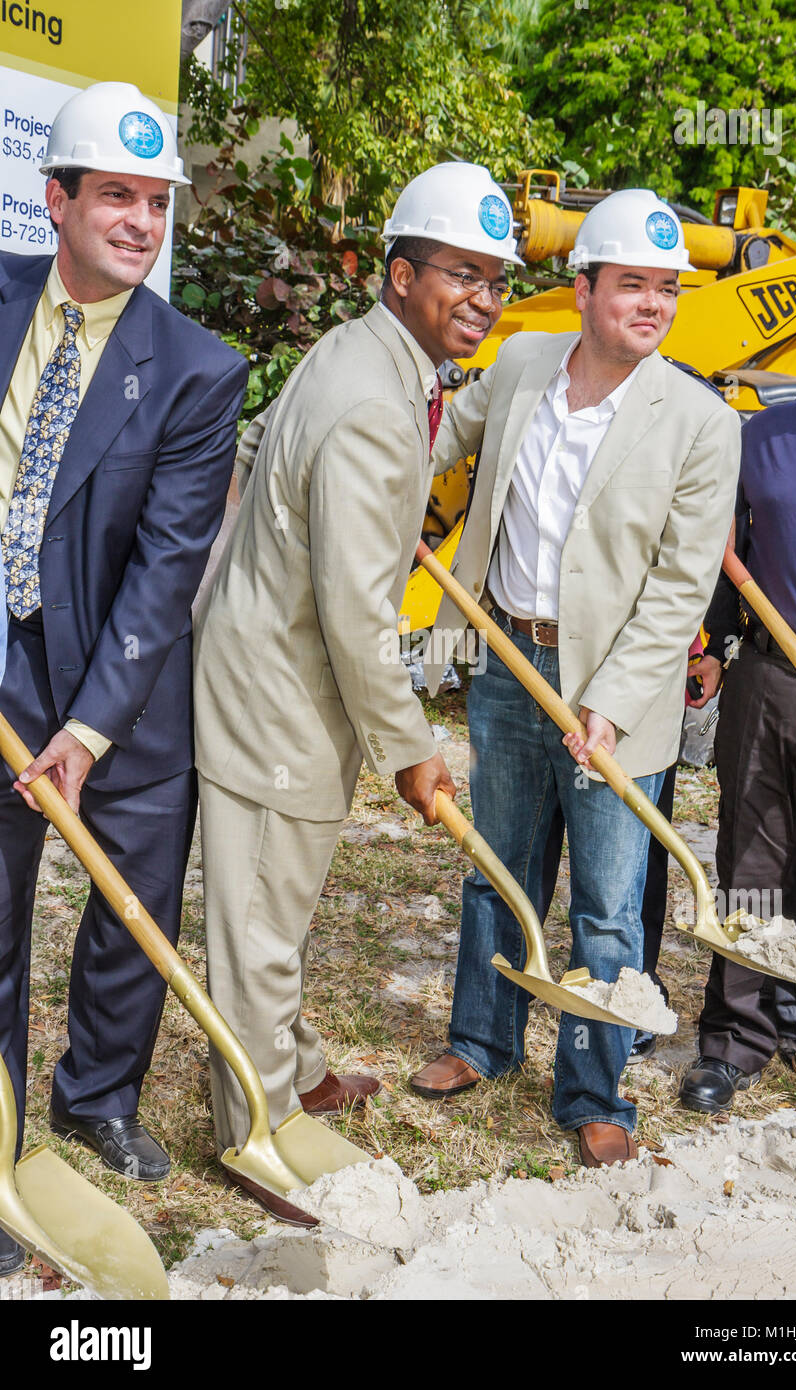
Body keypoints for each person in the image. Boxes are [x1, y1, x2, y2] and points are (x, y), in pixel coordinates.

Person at [193, 162, 520, 1222]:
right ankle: (252, 1130)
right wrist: (413, 751)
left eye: (495, 279)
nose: (478, 297)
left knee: (277, 896)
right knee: (259, 918)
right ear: (398, 273)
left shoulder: (372, 360)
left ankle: (295, 1066)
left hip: (286, 667)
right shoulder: (373, 406)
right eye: (458, 274)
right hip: (279, 693)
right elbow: (352, 614)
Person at [412, 189, 741, 1167]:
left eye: (665, 288)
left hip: (614, 690)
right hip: (510, 661)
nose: (651, 303)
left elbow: (680, 585)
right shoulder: (518, 365)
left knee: (605, 899)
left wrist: (607, 701)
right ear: (582, 287)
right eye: (631, 283)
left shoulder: (696, 420)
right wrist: (373, 479)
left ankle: (592, 1089)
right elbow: (441, 442)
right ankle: (480, 1041)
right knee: (497, 868)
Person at [0, 81, 248, 1277]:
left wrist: (91, 730)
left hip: (124, 685)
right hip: (3, 671)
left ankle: (96, 1094)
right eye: (118, 197)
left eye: (157, 202)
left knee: (129, 912)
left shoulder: (198, 370)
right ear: (58, 200)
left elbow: (166, 565)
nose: (144, 222)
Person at [680, 254, 796, 1118]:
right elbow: (731, 554)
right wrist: (713, 641)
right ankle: (736, 1038)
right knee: (752, 865)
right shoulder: (766, 435)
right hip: (767, 676)